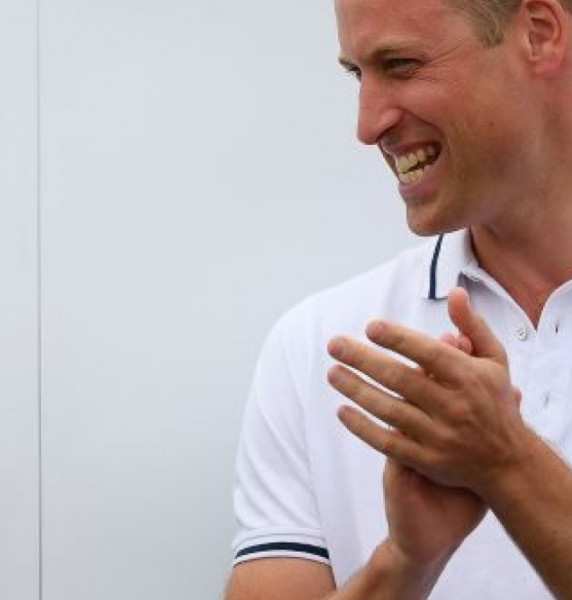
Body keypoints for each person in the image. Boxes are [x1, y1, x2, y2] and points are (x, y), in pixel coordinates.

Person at [225, 0, 572, 598]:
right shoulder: (318, 348)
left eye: (402, 65)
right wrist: (405, 563)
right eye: (357, 74)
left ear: (539, 33)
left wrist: (506, 463)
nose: (367, 125)